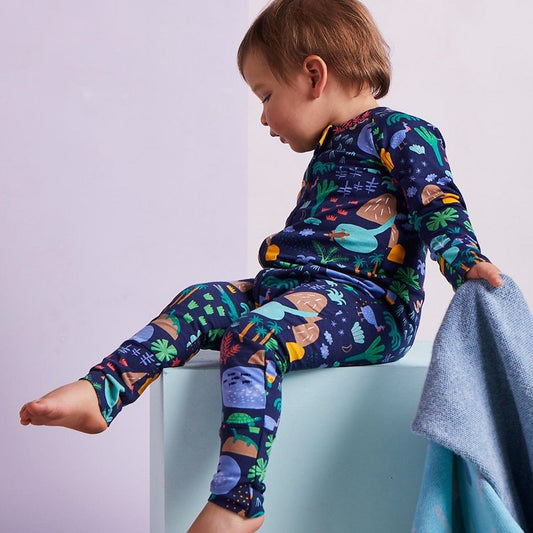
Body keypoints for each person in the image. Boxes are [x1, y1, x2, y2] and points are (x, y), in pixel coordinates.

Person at [19, 0, 503, 531]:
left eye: (266, 95)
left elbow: (435, 201)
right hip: (290, 287)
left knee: (254, 337)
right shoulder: (330, 146)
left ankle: (238, 500)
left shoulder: (403, 132)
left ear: (314, 76)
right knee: (200, 298)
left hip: (368, 304)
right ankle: (104, 390)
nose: (264, 117)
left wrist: (464, 261)